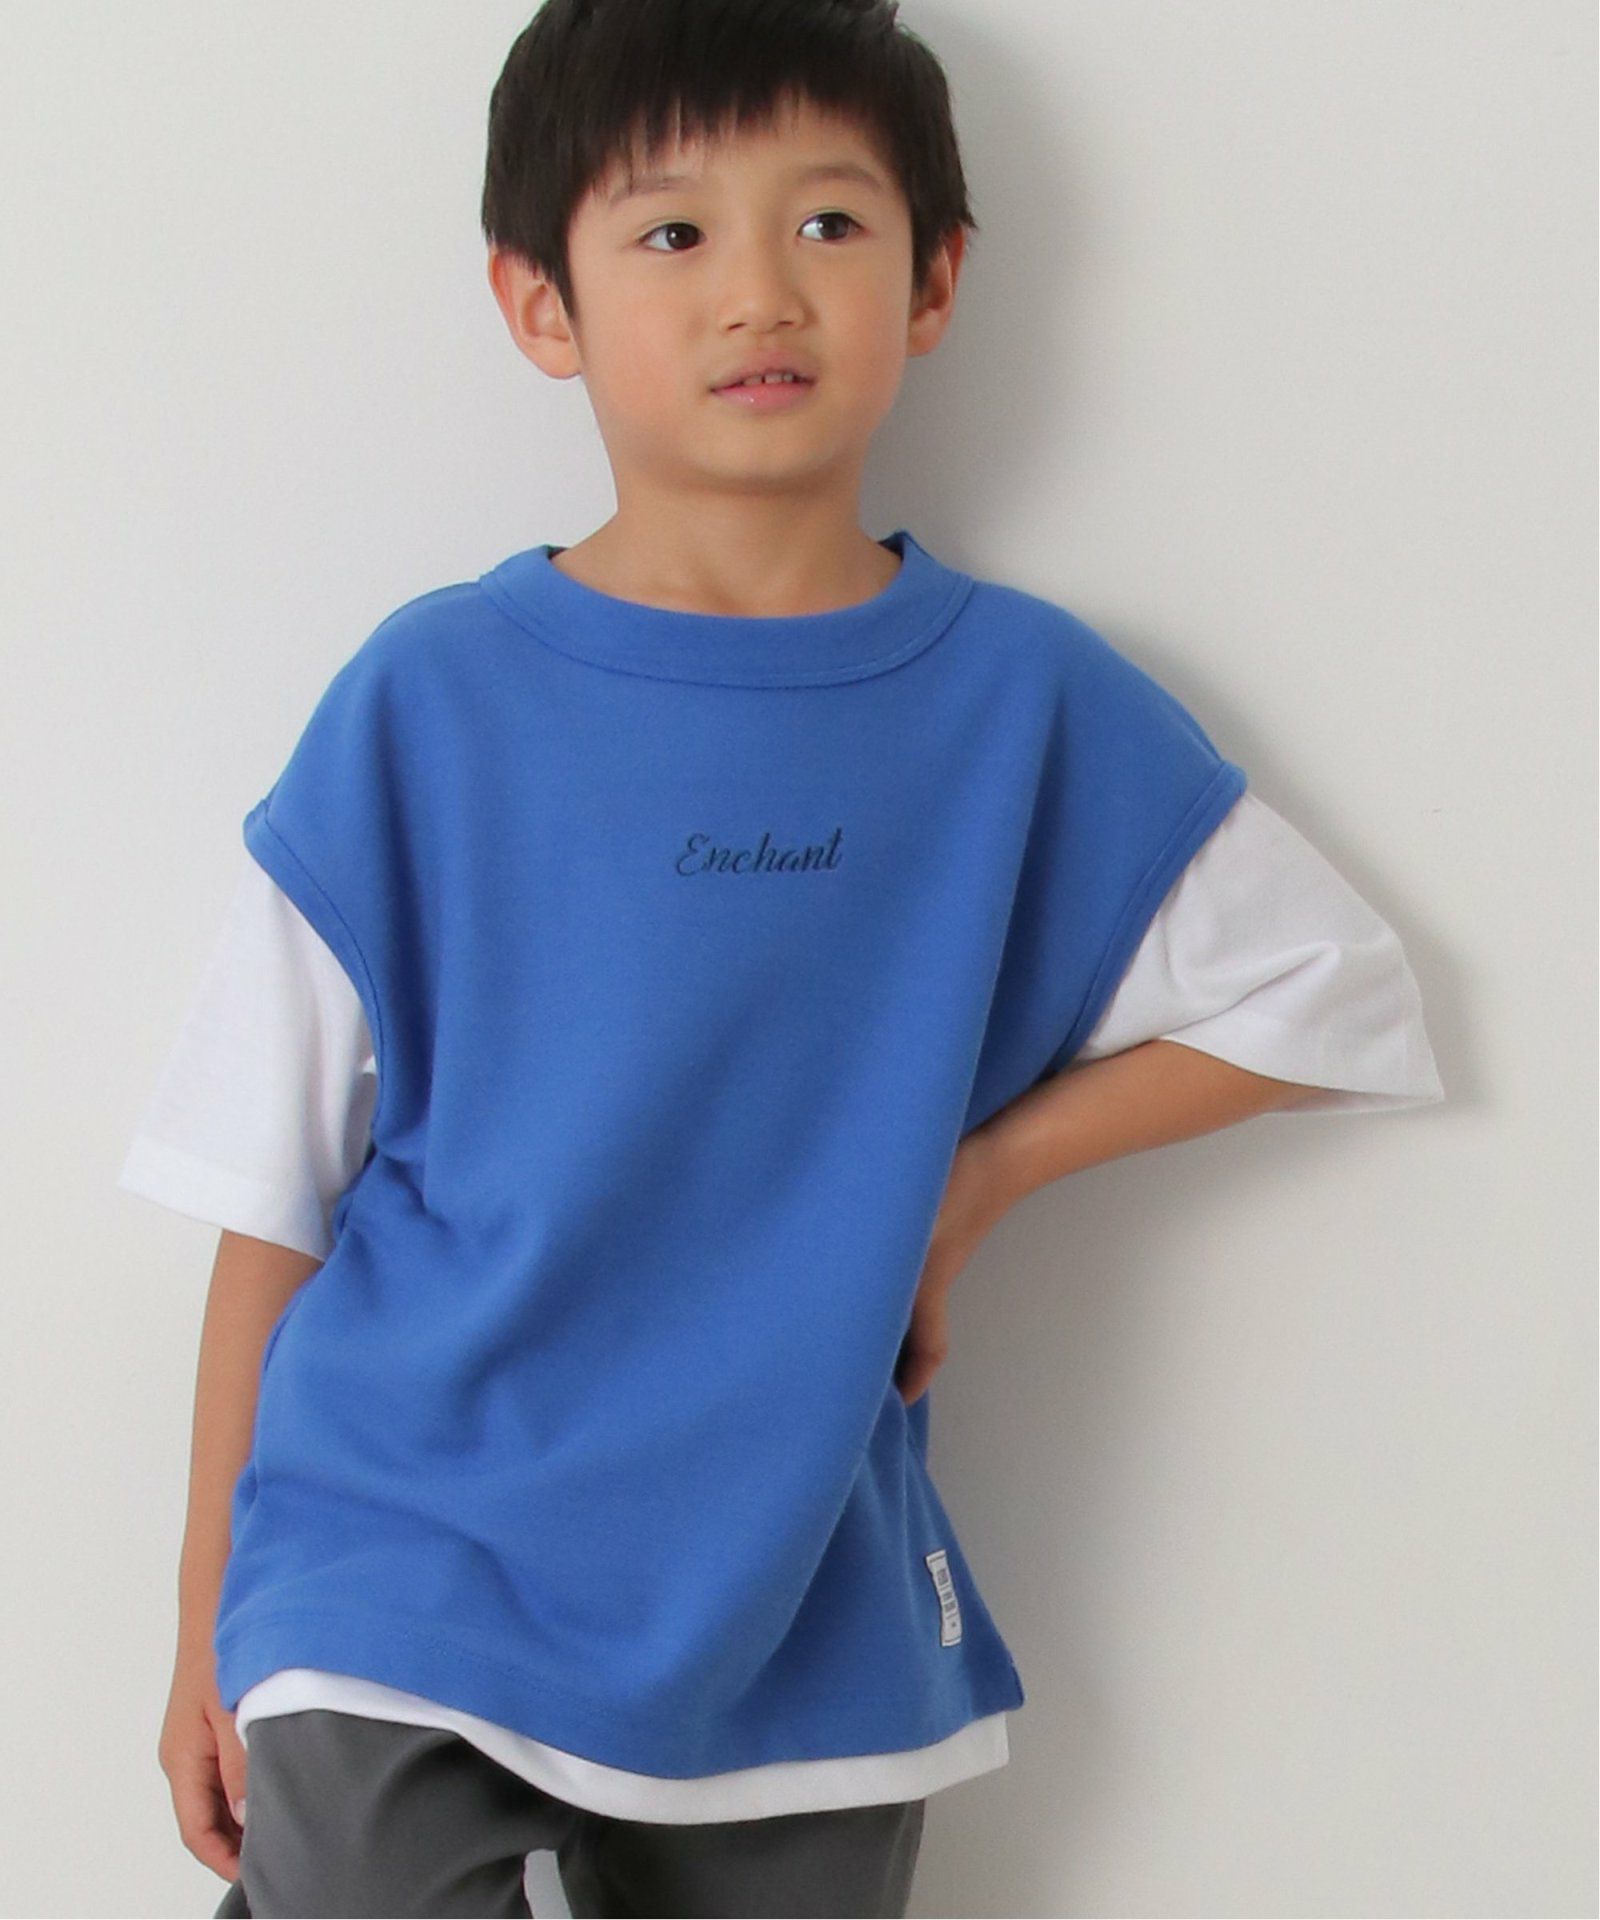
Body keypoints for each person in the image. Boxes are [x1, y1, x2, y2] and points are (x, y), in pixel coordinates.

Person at [118, 2, 1445, 1914]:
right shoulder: (430, 700)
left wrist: (974, 1184)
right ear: (541, 301)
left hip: (796, 1586)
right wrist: (209, 1621)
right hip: (395, 1559)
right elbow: (269, 1193)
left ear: (936, 280)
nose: (760, 290)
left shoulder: (1019, 704)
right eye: (674, 232)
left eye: (829, 222)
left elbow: (1333, 995)